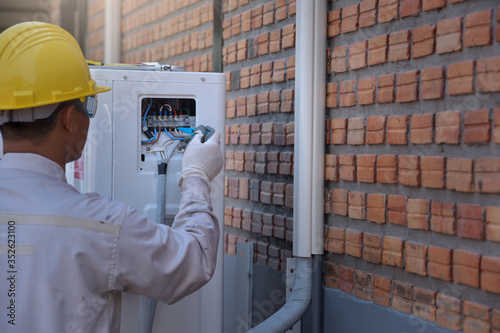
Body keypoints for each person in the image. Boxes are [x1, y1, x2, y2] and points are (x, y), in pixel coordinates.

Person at [0, 22, 223, 332]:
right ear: (68, 119)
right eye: (89, 105)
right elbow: (193, 261)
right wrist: (197, 175)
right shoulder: (100, 225)